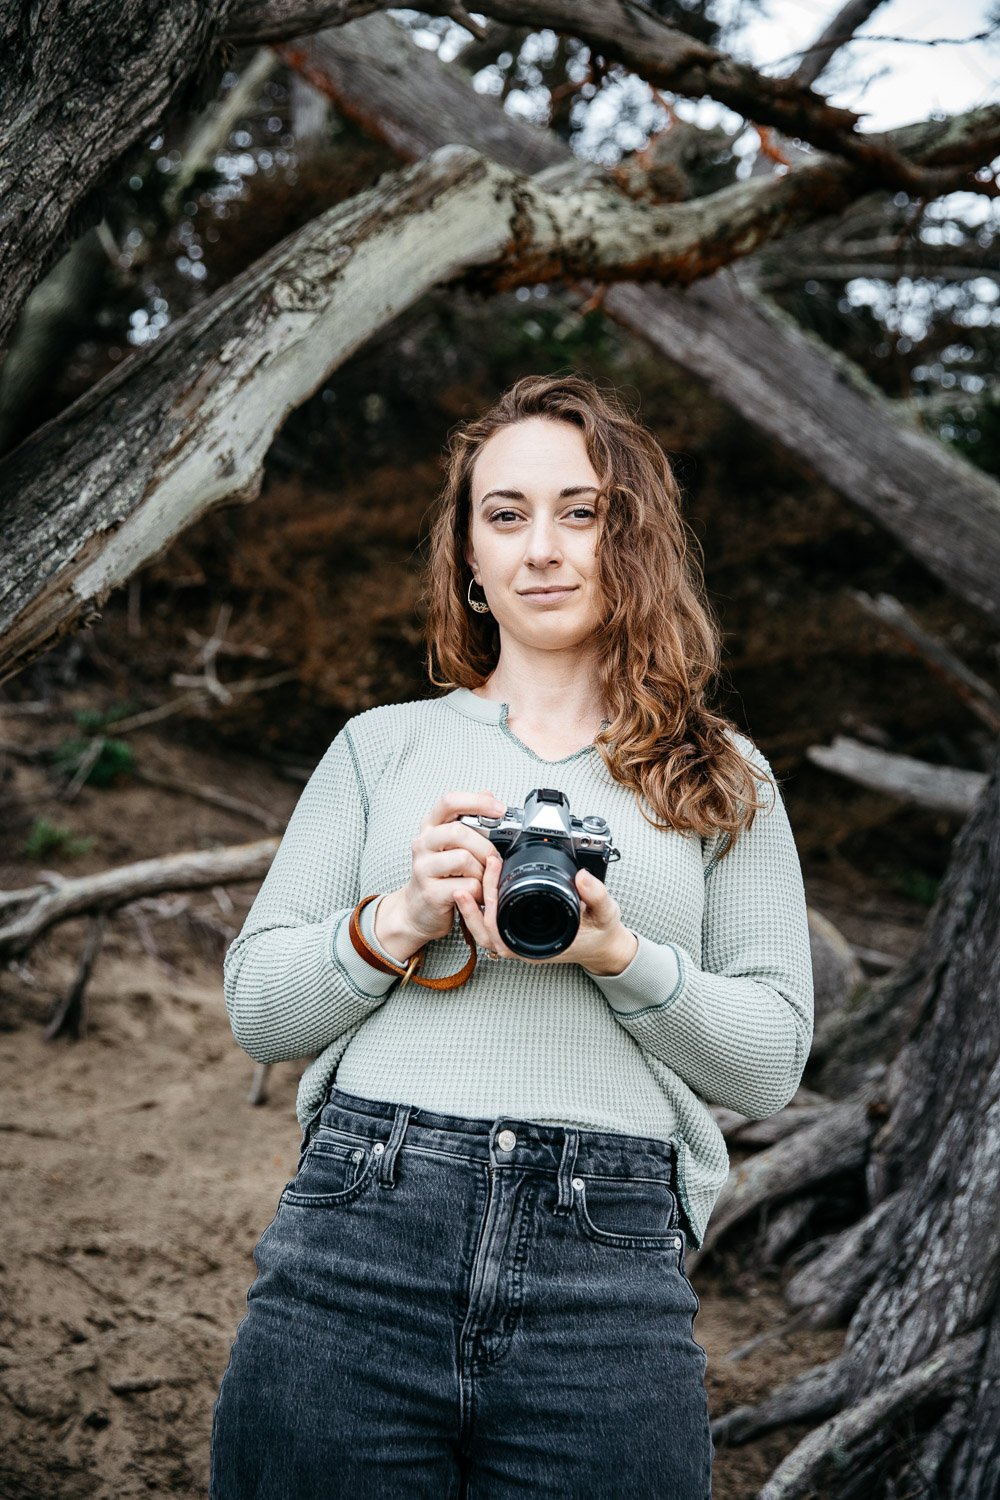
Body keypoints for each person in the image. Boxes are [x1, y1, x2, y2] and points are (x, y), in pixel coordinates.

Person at [209, 372, 814, 1499]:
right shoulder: (379, 748)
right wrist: (400, 915)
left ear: (631, 541)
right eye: (505, 515)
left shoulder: (726, 775)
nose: (540, 548)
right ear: (469, 561)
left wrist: (617, 956)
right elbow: (257, 1009)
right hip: (360, 1230)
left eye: (578, 512)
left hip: (612, 1256)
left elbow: (771, 1061)